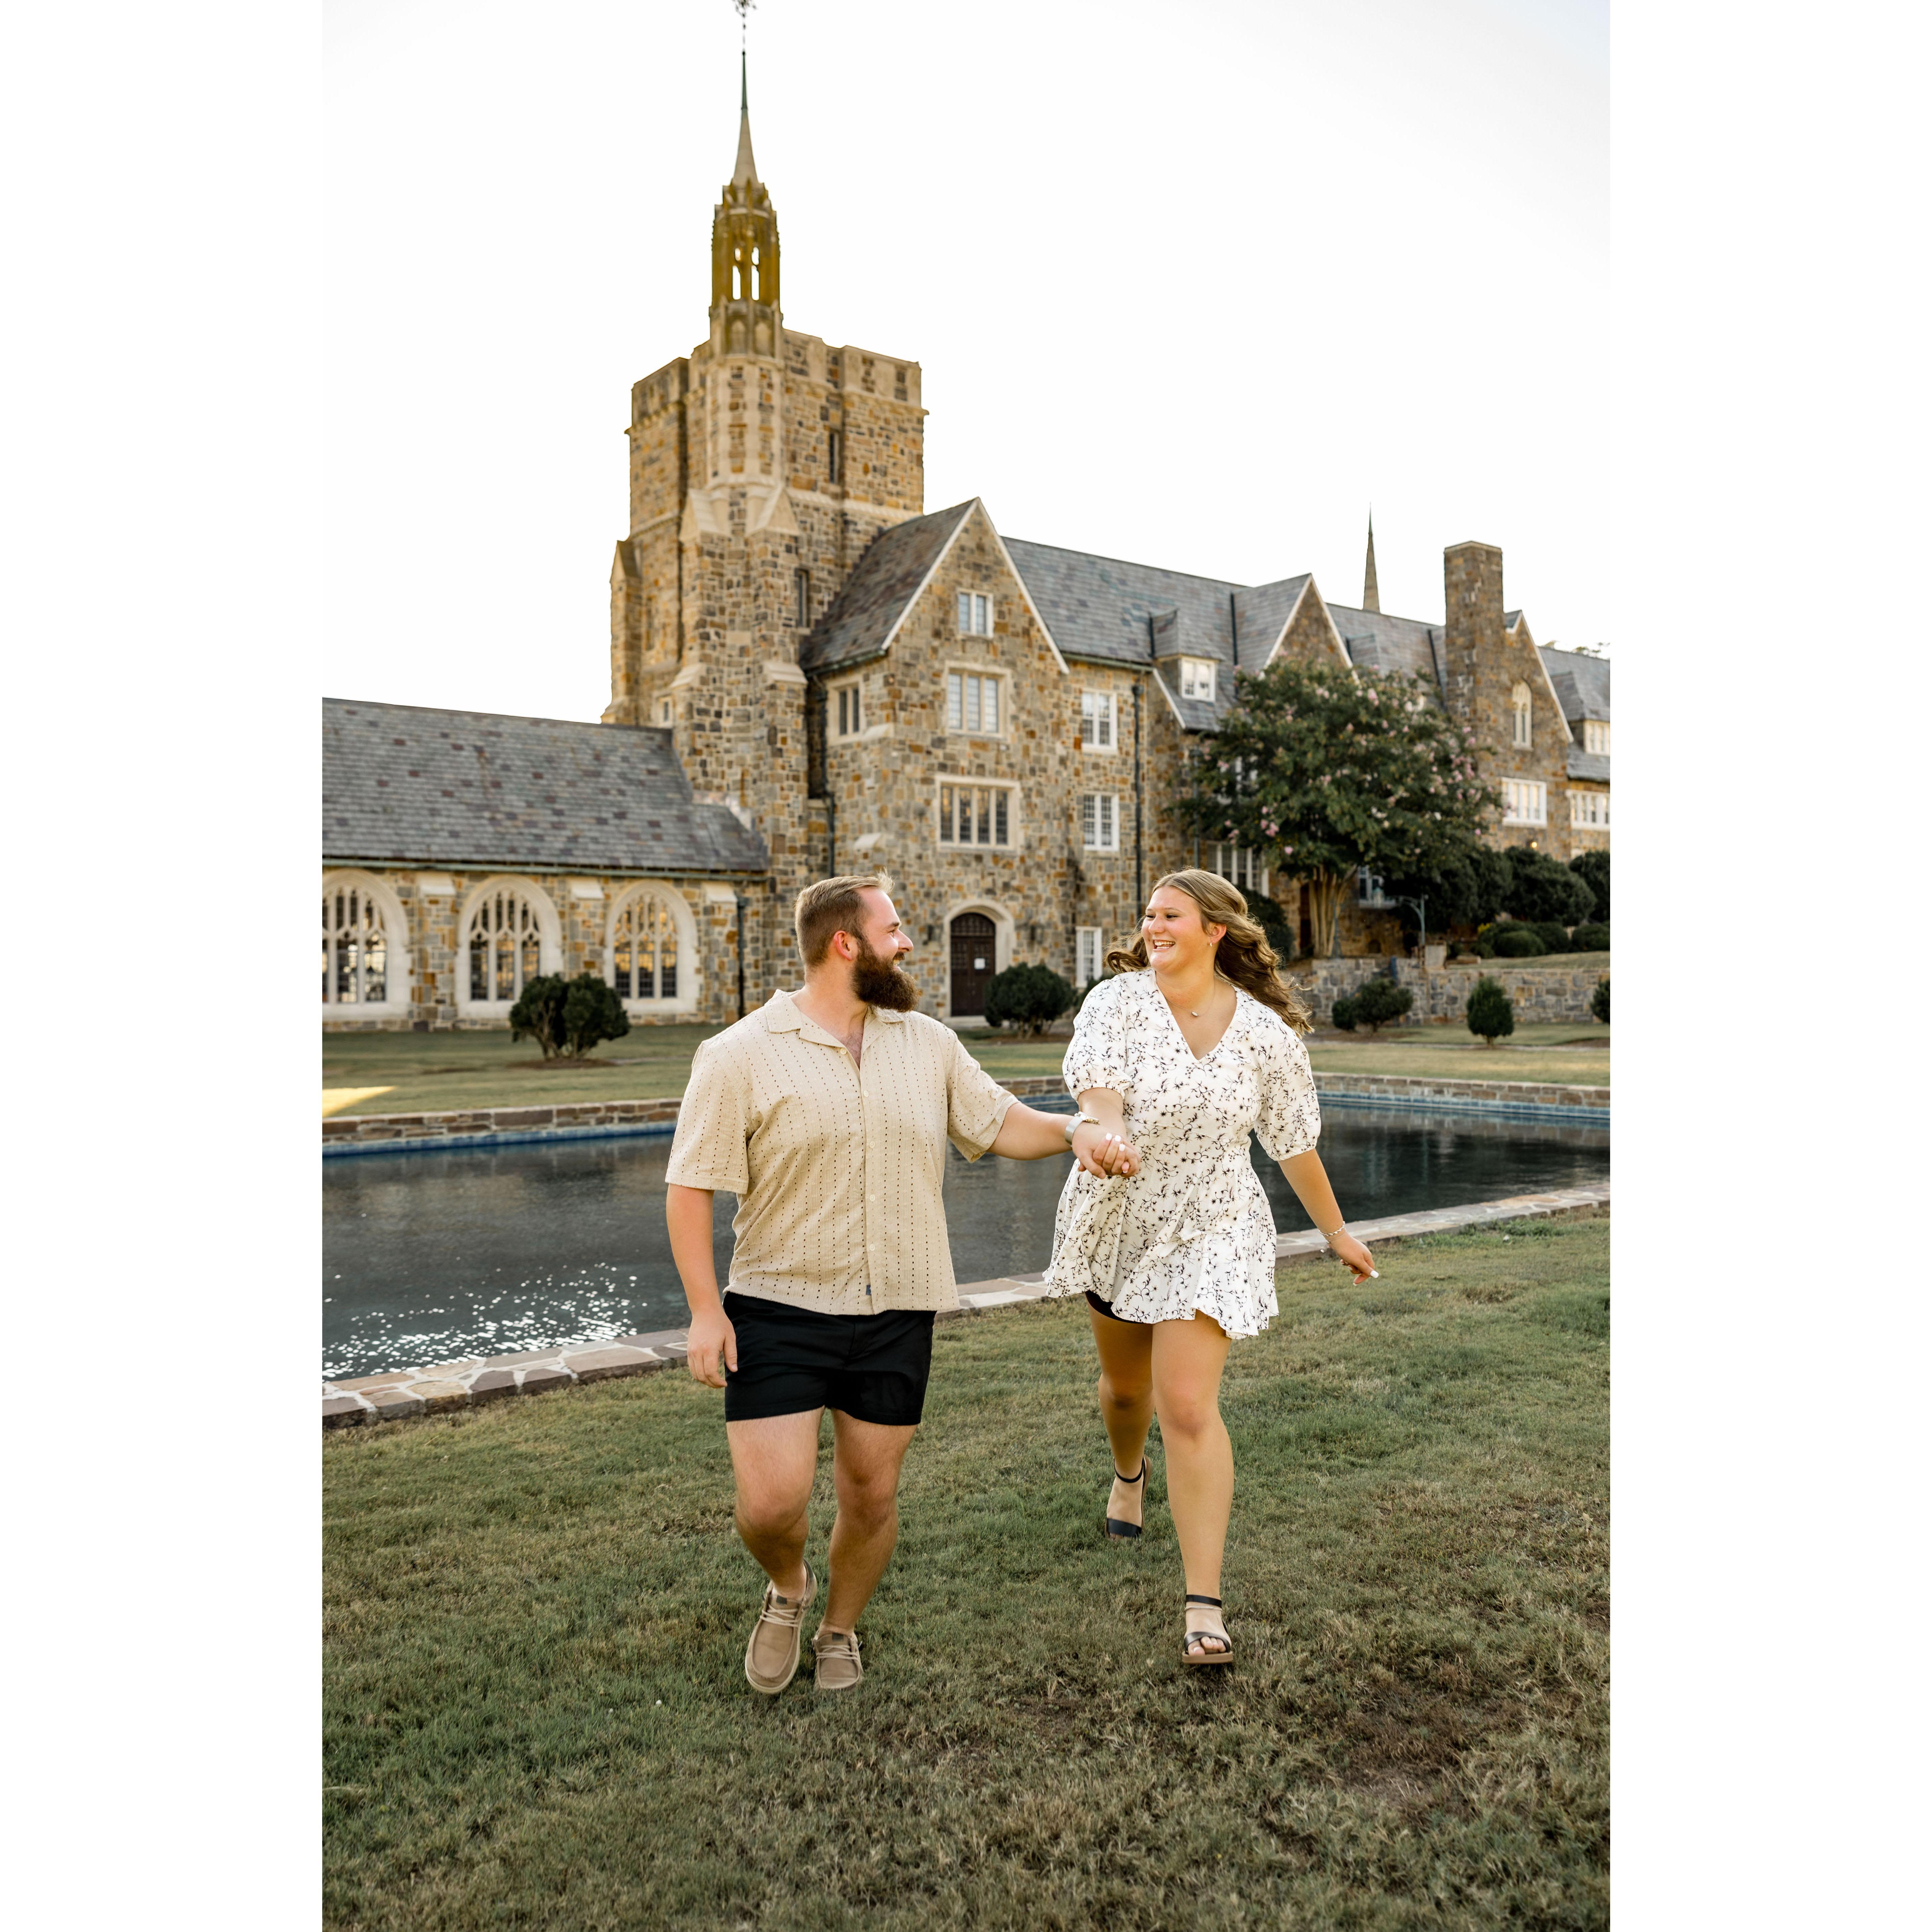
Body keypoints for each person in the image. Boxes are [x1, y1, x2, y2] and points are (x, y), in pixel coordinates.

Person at [664, 873, 1134, 1696]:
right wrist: (706, 1312)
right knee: (771, 1506)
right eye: (893, 930)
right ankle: (788, 1587)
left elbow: (997, 1122)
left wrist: (1074, 1132)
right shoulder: (738, 1053)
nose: (908, 942)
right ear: (845, 944)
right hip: (778, 1307)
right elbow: (689, 1186)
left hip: (898, 1310)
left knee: (871, 1496)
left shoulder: (927, 1043)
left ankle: (839, 1627)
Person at [1043, 869, 1378, 1667]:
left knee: (1188, 1405)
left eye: (1171, 915)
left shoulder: (1265, 1034)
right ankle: (1129, 1473)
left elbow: (1292, 1142)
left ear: (1214, 930)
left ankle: (1203, 1605)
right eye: (1149, 914)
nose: (1153, 926)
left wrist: (1335, 1231)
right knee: (1127, 1389)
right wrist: (1107, 1132)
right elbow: (1098, 1091)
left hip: (1216, 1223)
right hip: (1121, 1210)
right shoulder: (1116, 1002)